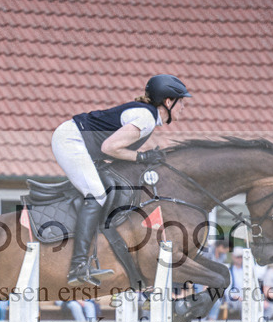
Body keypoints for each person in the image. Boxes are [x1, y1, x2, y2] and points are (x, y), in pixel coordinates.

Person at [53, 74, 191, 286]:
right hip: (71, 141)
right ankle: (78, 265)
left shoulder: (148, 117)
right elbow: (109, 148)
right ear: (168, 101)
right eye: (180, 101)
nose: (183, 107)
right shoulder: (145, 119)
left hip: (82, 144)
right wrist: (142, 157)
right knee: (97, 195)